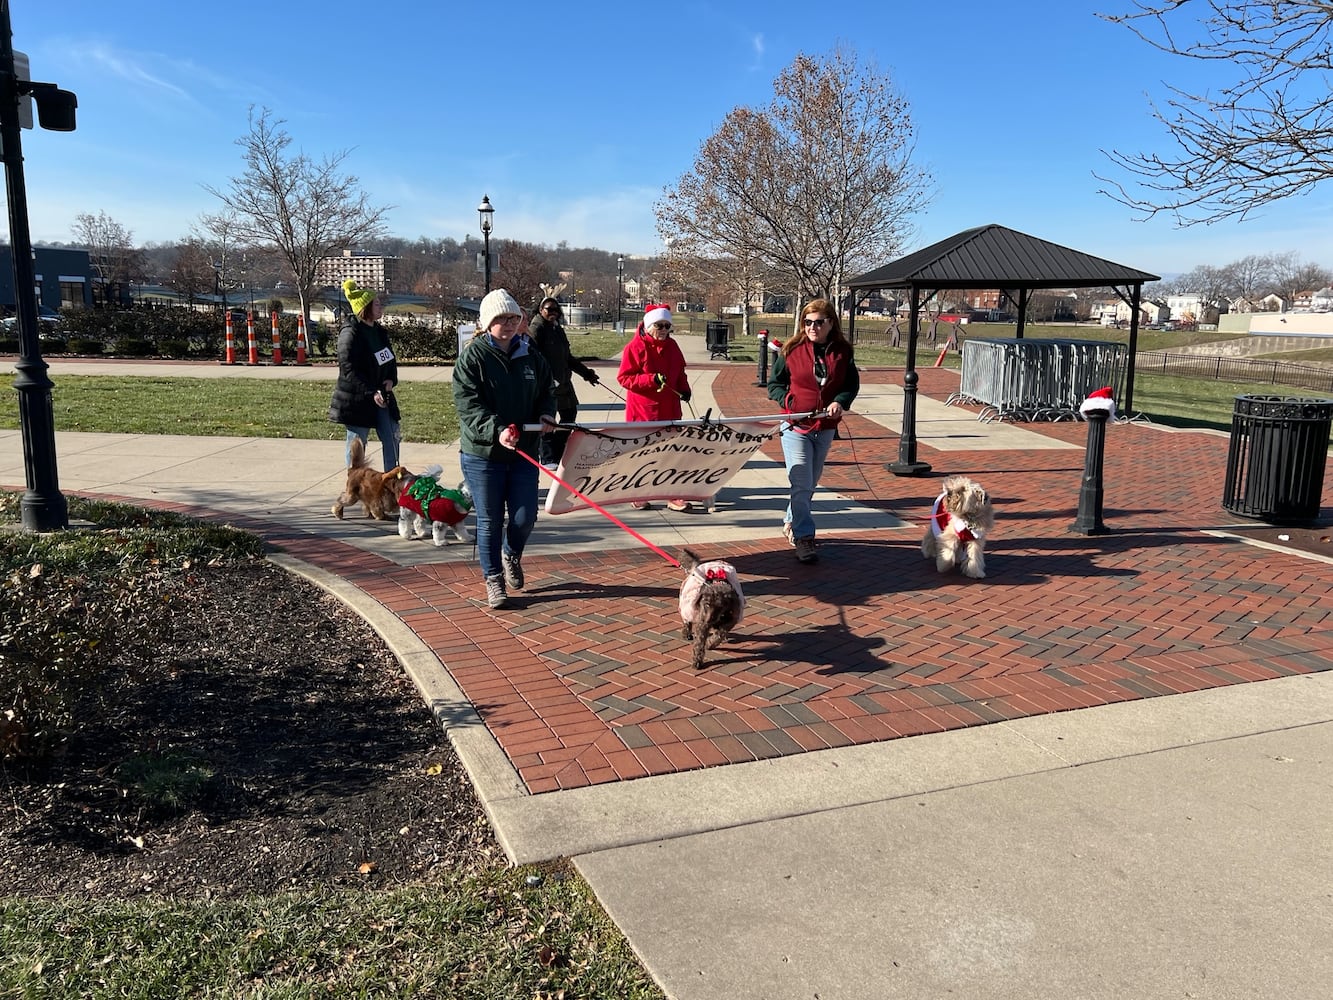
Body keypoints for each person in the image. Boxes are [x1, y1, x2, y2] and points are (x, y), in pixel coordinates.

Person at [452, 288, 556, 609]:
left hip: (523, 450)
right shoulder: (472, 358)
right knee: (489, 519)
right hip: (483, 455)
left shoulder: (531, 355)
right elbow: (468, 407)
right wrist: (496, 431)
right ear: (486, 323)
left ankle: (511, 553)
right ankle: (493, 578)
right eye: (501, 318)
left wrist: (546, 414)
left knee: (525, 517)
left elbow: (546, 391)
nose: (509, 323)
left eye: (513, 317)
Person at [767, 298, 860, 563]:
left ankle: (790, 520)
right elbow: (775, 383)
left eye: (818, 322)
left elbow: (850, 385)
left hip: (826, 426)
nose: (812, 327)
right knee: (801, 481)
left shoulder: (842, 352)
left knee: (810, 482)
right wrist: (789, 401)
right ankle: (804, 537)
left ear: (831, 323)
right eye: (807, 322)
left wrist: (839, 402)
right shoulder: (793, 350)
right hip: (796, 425)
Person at [617, 303, 692, 511]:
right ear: (650, 325)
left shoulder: (673, 347)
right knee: (644, 454)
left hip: (670, 409)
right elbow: (624, 378)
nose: (664, 331)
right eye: (660, 326)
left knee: (671, 453)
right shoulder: (635, 348)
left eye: (668, 326)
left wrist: (684, 389)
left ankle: (672, 494)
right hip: (643, 411)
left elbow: (680, 373)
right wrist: (650, 380)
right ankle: (638, 492)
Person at [328, 279, 400, 472]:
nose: (380, 306)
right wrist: (370, 392)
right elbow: (348, 369)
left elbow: (390, 360)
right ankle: (355, 485)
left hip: (383, 396)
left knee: (392, 435)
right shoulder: (350, 332)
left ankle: (391, 482)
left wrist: (391, 379)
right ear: (366, 308)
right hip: (358, 400)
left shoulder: (379, 332)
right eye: (376, 303)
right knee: (358, 445)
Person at [529, 296, 601, 466]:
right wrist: (542, 378)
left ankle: (559, 451)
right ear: (541, 310)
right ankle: (547, 457)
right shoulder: (536, 328)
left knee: (569, 415)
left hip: (564, 382)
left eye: (556, 309)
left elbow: (567, 357)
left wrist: (587, 374)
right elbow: (532, 358)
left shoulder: (557, 329)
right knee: (547, 419)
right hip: (546, 385)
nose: (553, 312)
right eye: (549, 309)